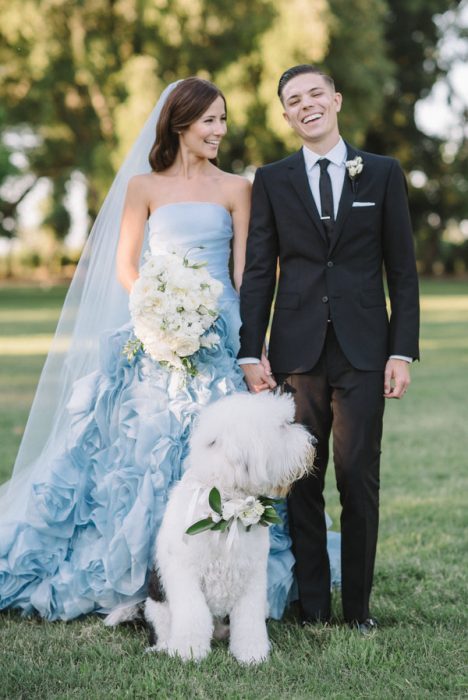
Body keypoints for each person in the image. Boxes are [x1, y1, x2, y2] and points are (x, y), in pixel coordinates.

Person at [0, 77, 304, 620]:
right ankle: (140, 577)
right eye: (210, 120)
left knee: (218, 458)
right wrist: (156, 312)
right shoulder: (143, 187)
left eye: (223, 119)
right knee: (139, 456)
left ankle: (217, 579)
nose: (220, 131)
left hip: (219, 334)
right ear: (180, 124)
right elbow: (124, 264)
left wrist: (251, 341)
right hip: (154, 336)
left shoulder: (238, 188)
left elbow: (244, 274)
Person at [238, 65, 420, 633]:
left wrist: (402, 351)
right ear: (286, 115)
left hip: (367, 351)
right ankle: (314, 605)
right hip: (297, 351)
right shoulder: (271, 179)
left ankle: (359, 609)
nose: (306, 104)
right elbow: (260, 270)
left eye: (315, 93)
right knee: (303, 478)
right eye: (294, 99)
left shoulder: (383, 174)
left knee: (358, 474)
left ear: (336, 100)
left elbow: (404, 271)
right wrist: (251, 351)